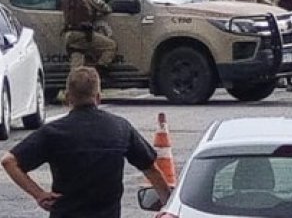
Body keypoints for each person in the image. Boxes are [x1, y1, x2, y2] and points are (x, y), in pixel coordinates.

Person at [1, 67, 172, 218]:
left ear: (68, 98)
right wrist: (168, 205)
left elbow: (9, 161)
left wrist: (38, 194)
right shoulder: (120, 128)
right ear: (98, 97)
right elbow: (151, 169)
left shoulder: (53, 132)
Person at [60, 0, 117, 72]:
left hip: (69, 34)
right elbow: (106, 9)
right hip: (84, 33)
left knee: (77, 60)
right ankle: (98, 71)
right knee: (110, 46)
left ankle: (75, 81)